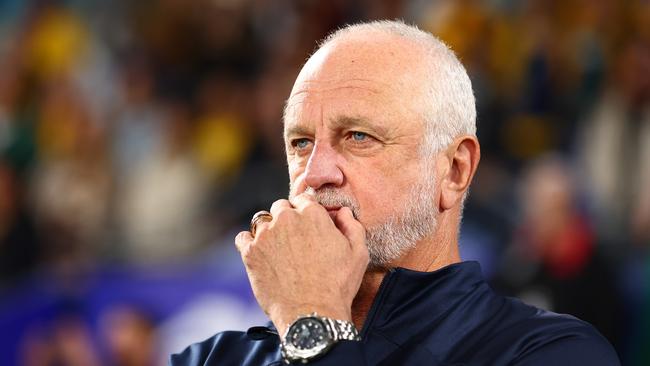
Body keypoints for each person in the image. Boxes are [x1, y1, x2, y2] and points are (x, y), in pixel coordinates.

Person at [170, 20, 619, 365]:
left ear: (454, 170)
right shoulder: (211, 358)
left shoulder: (554, 352)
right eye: (301, 143)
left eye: (359, 137)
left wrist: (313, 322)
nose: (314, 174)